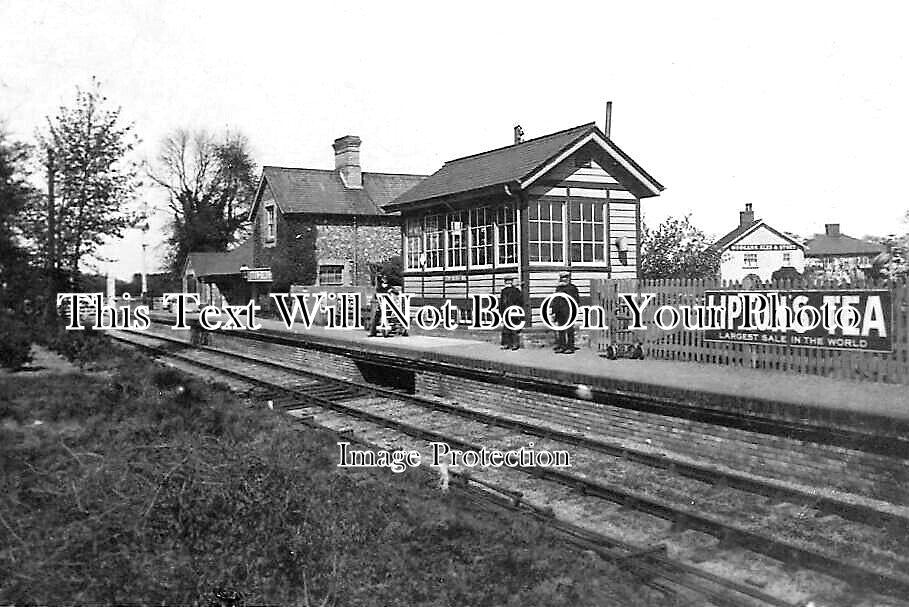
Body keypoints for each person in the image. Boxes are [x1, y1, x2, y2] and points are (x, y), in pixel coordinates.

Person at [551, 271, 579, 354]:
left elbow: (576, 300)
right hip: (559, 312)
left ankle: (570, 347)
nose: (564, 279)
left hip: (569, 311)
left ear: (569, 279)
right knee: (561, 329)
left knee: (569, 329)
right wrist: (553, 312)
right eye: (562, 278)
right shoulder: (558, 289)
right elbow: (555, 300)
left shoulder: (572, 288)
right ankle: (562, 346)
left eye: (565, 278)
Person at [498, 276, 523, 350]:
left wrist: (501, 312)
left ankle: (508, 344)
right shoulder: (516, 290)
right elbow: (520, 302)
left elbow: (502, 303)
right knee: (511, 328)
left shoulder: (504, 291)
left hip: (508, 312)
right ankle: (513, 344)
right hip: (513, 312)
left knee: (507, 329)